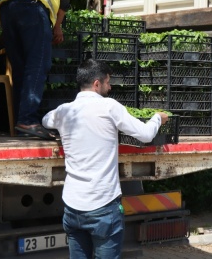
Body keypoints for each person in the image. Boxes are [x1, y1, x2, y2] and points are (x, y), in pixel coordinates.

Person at [42, 59, 168, 258]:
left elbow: (46, 120)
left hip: (72, 207)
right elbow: (145, 135)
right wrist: (157, 119)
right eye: (108, 82)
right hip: (103, 208)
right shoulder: (109, 107)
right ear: (96, 84)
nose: (110, 87)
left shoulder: (64, 111)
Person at [0, 0, 71, 139]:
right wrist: (57, 26)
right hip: (32, 6)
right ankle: (28, 120)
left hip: (6, 9)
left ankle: (21, 123)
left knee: (21, 68)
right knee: (38, 64)